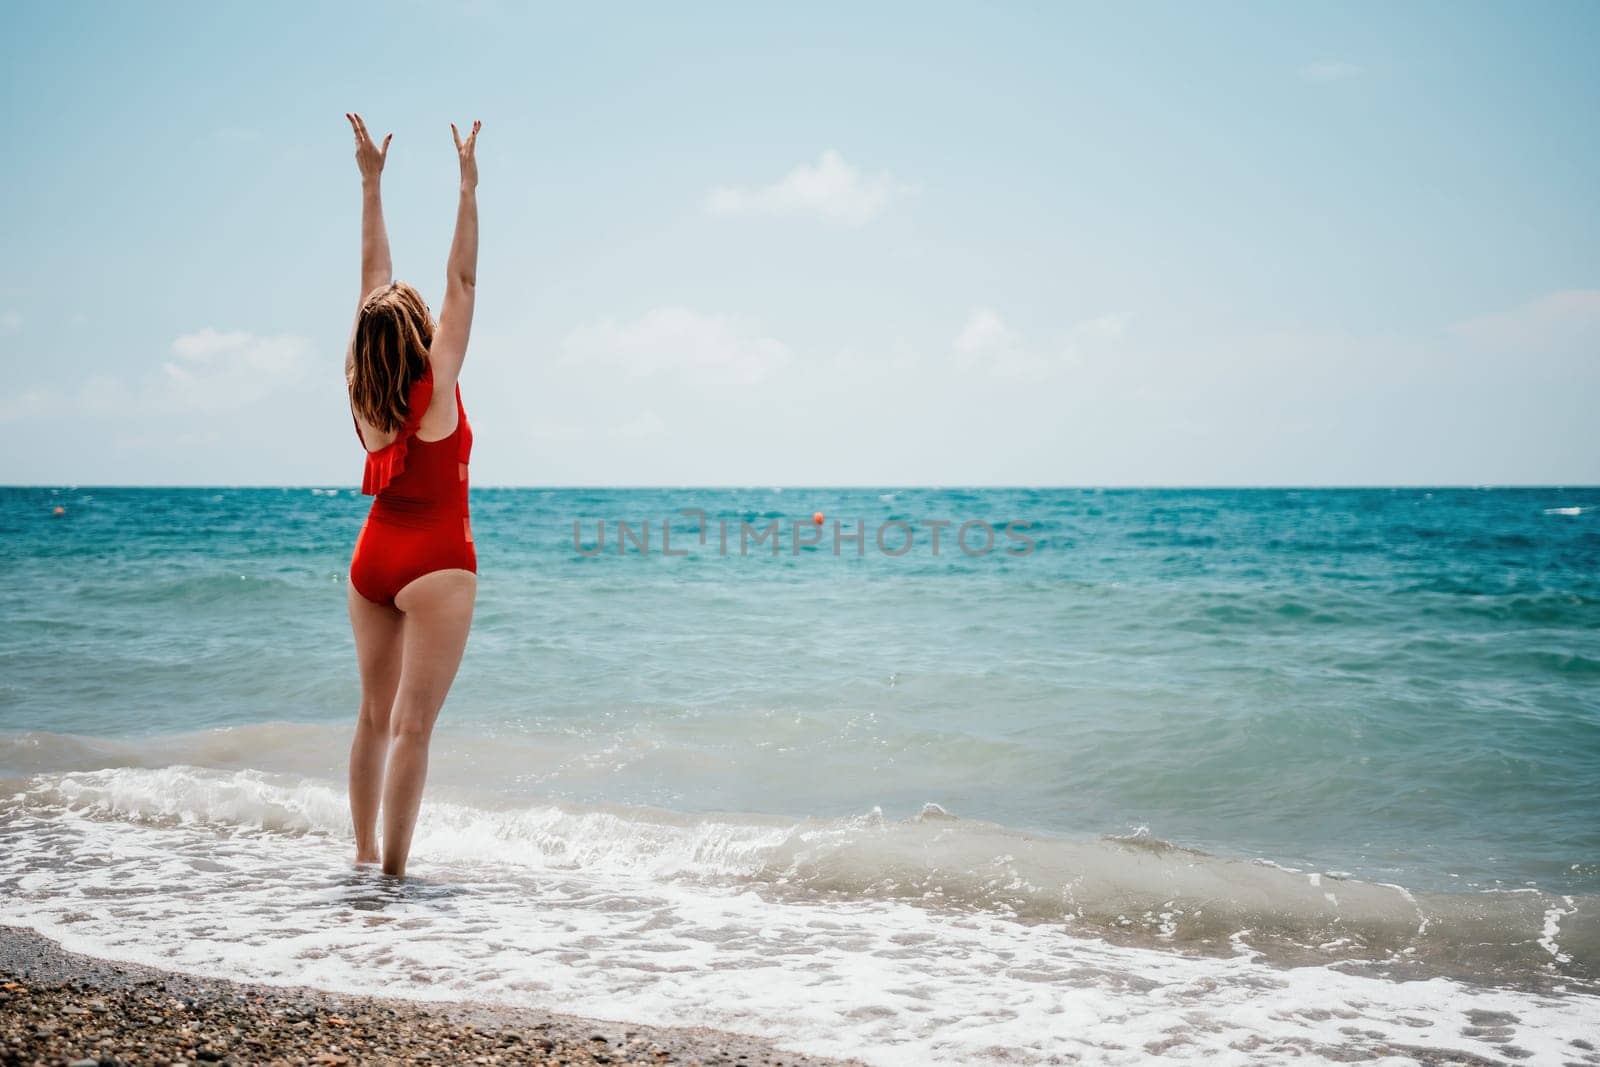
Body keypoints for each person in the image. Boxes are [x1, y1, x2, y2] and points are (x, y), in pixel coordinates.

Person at [342, 111, 481, 878]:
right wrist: (466, 186)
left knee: (371, 717)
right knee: (413, 727)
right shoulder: (439, 385)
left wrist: (370, 182)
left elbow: (372, 279)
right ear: (418, 331)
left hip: (373, 559)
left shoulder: (365, 392)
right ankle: (393, 876)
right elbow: (461, 278)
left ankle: (361, 859)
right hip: (436, 560)